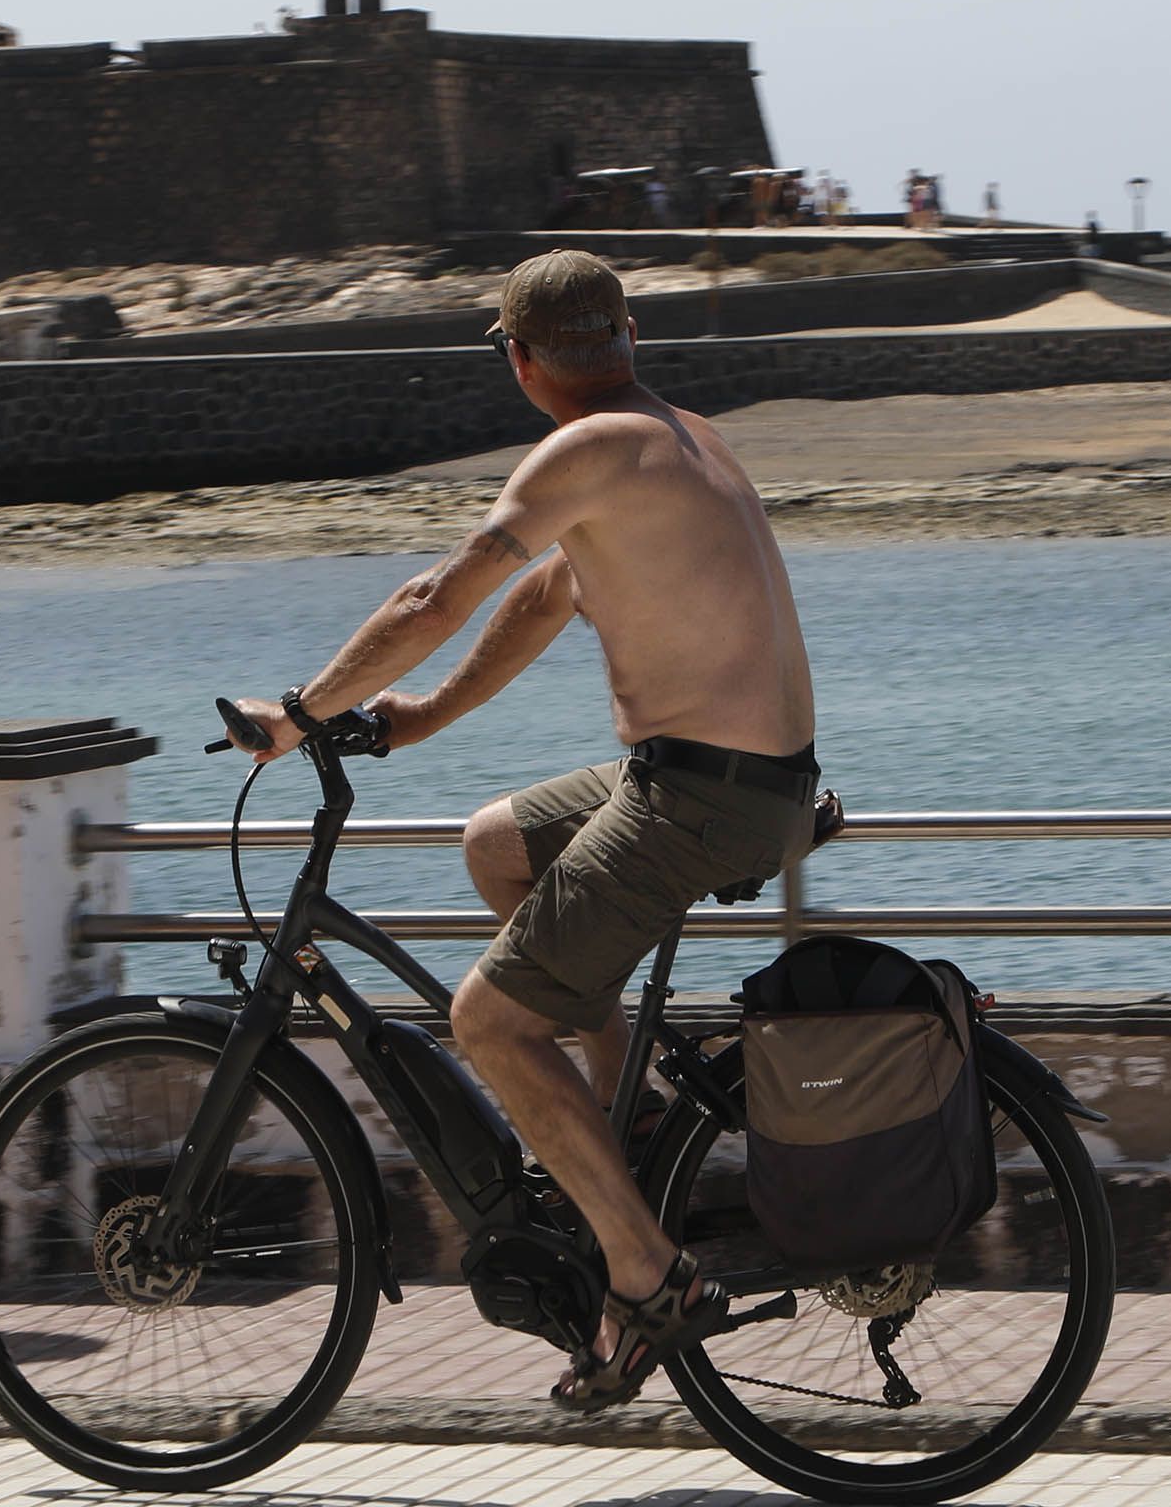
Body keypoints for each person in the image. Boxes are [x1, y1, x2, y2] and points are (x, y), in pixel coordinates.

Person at [226, 249, 820, 1412]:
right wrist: (424, 718)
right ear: (630, 337)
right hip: (734, 779)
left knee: (488, 1023)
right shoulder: (677, 436)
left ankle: (650, 1278)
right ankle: (628, 1102)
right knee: (498, 842)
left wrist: (300, 716)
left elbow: (431, 599)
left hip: (698, 797)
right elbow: (550, 593)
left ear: (521, 360)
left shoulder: (582, 448)